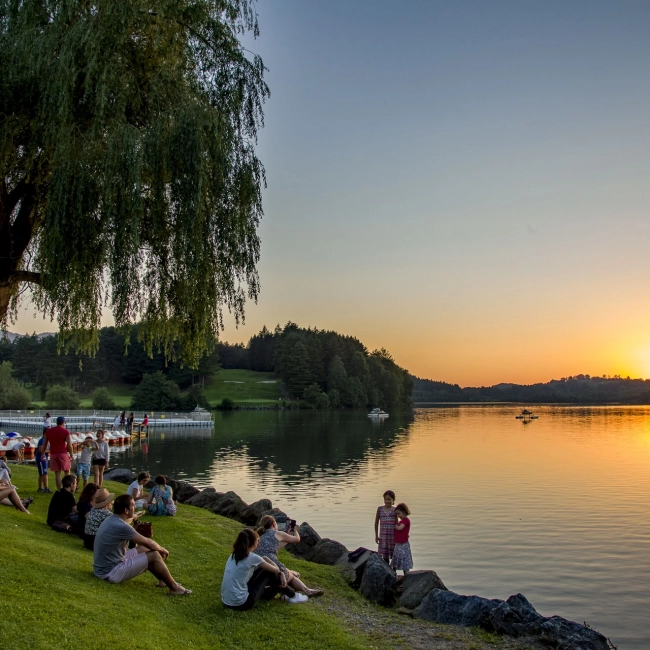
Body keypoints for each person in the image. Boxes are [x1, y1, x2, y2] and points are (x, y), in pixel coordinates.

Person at [93, 494, 191, 595]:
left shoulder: (111, 519)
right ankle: (174, 588)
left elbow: (144, 544)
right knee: (154, 554)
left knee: (144, 549)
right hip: (110, 572)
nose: (135, 507)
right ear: (126, 511)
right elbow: (148, 542)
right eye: (133, 505)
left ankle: (163, 581)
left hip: (102, 568)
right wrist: (161, 549)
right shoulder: (122, 526)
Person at [221, 528, 303, 609]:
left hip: (226, 602)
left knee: (263, 570)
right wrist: (267, 559)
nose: (259, 542)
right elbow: (276, 570)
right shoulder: (252, 557)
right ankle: (293, 595)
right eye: (258, 540)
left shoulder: (233, 555)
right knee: (268, 571)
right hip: (242, 603)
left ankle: (276, 594)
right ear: (253, 543)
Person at [256, 516, 324, 597]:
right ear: (274, 524)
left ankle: (289, 579)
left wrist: (288, 534)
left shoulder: (259, 536)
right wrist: (295, 531)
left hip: (258, 566)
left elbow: (277, 547)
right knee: (291, 577)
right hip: (270, 563)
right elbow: (296, 539)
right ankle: (307, 590)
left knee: (287, 571)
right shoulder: (277, 533)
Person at [42, 416, 74, 490]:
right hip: (62, 453)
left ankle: (59, 490)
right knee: (67, 471)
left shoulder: (49, 431)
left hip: (53, 454)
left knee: (57, 473)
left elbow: (45, 444)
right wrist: (71, 455)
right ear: (63, 422)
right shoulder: (66, 431)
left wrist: (43, 454)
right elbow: (69, 445)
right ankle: (67, 489)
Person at [374, 489, 397, 563]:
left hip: (392, 537)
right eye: (386, 499)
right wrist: (376, 535)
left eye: (389, 499)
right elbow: (376, 522)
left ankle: (394, 572)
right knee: (385, 557)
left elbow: (397, 524)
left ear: (393, 500)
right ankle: (387, 572)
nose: (387, 501)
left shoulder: (395, 510)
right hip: (383, 537)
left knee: (394, 556)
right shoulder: (380, 509)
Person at [391, 503, 413, 576]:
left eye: (399, 514)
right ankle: (395, 572)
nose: (398, 516)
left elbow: (400, 528)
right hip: (399, 543)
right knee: (397, 557)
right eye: (397, 514)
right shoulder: (401, 521)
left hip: (403, 544)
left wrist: (395, 527)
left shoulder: (405, 520)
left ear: (403, 512)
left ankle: (406, 574)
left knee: (404, 558)